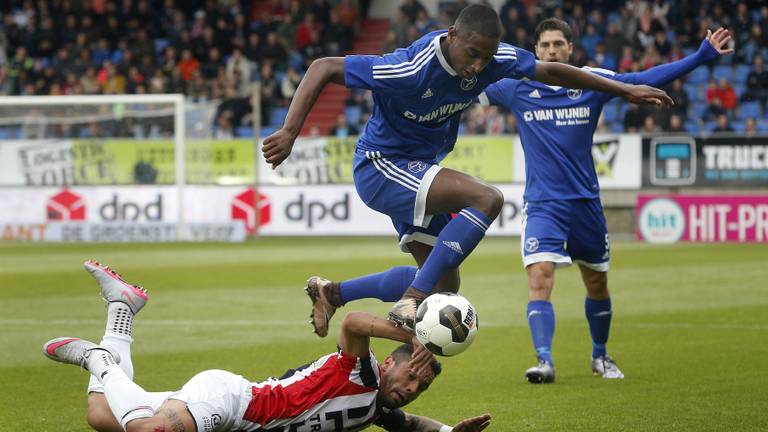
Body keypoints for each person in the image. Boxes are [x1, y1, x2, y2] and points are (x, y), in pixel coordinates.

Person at [263, 4, 672, 335]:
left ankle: (333, 293)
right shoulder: (410, 68)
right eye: (472, 53)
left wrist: (624, 89)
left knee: (445, 284)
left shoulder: (493, 59)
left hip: (418, 167)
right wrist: (289, 131)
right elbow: (324, 67)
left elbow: (548, 71)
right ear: (452, 36)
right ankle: (409, 299)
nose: (478, 66)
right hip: (381, 167)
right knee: (486, 198)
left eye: (487, 57)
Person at [474, 20, 732, 383]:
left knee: (596, 283)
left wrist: (701, 57)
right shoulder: (516, 87)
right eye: (545, 45)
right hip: (543, 204)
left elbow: (644, 77)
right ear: (536, 51)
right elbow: (465, 85)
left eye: (558, 44)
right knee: (540, 278)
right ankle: (544, 361)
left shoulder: (591, 82)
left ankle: (600, 355)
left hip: (585, 204)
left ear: (570, 49)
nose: (551, 50)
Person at [43, 261, 492, 432]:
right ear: (389, 364)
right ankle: (99, 359)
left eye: (421, 385)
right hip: (233, 402)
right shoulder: (362, 370)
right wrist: (412, 335)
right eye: (411, 373)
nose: (412, 386)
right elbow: (354, 322)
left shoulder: (376, 406)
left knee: (102, 415)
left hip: (235, 416)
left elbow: (411, 425)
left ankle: (121, 310)